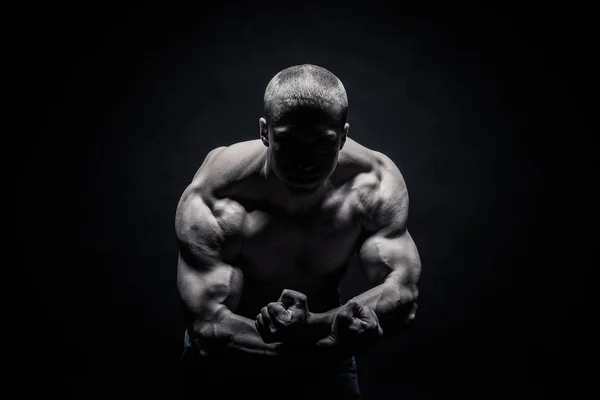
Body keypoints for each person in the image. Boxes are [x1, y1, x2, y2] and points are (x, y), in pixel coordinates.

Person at [175, 64, 421, 399]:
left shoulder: (372, 183)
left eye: (323, 143)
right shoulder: (220, 195)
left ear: (344, 136)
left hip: (325, 353)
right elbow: (210, 326)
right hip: (229, 355)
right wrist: (327, 340)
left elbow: (402, 293)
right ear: (266, 132)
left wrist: (319, 326)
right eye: (289, 142)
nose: (306, 161)